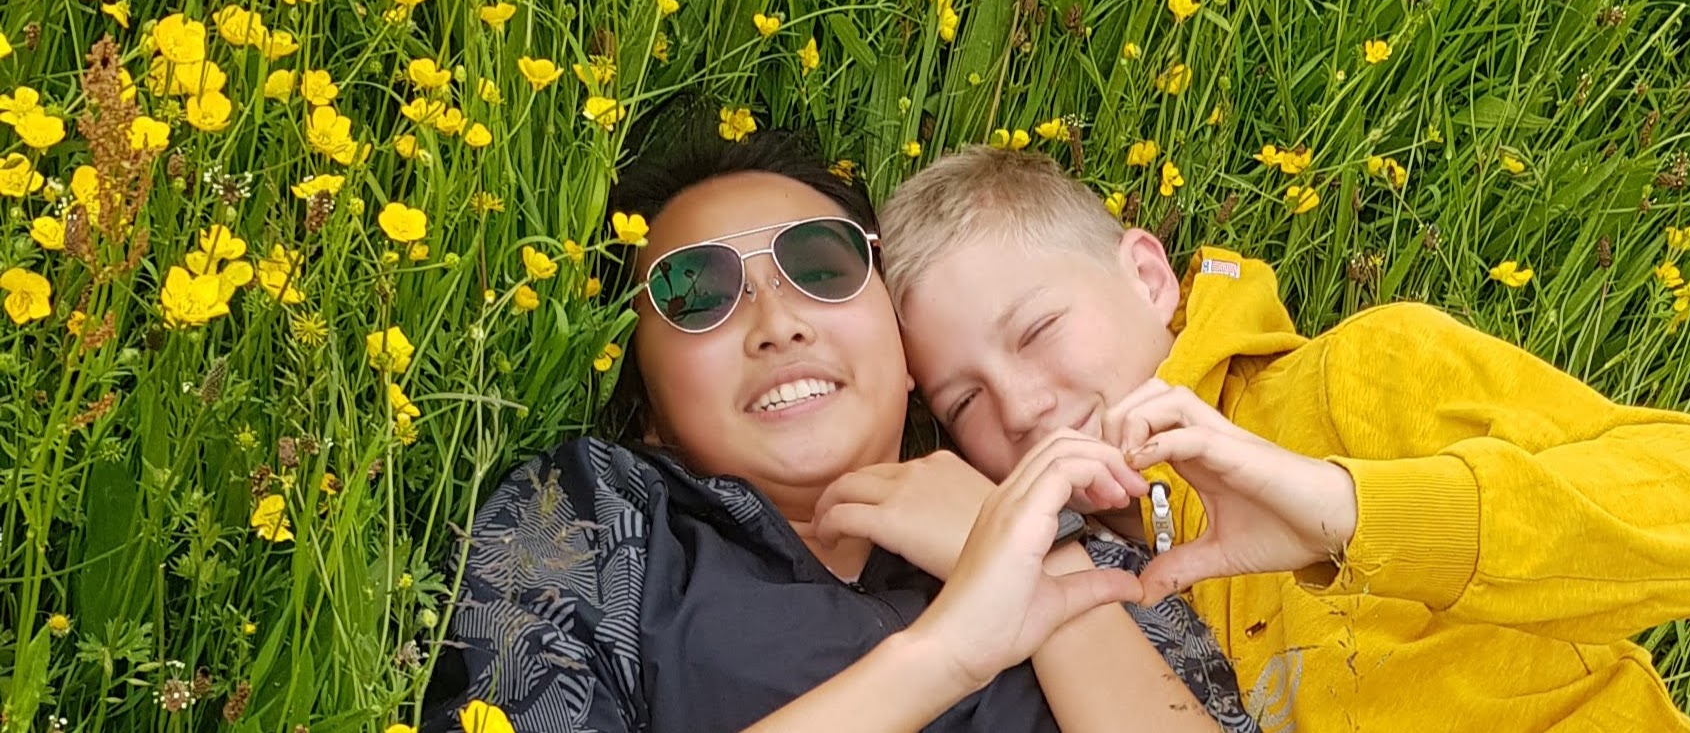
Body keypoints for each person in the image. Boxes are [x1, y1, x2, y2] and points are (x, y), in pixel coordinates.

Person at [880, 146, 1690, 733]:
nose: (1022, 406)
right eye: (964, 402)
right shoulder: (1059, 593)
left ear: (1149, 278)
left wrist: (1346, 510)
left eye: (1038, 330)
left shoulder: (1366, 373)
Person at [420, 104, 1255, 733]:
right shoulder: (591, 517)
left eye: (820, 265)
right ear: (648, 407)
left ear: (903, 352)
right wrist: (939, 658)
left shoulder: (1084, 543)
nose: (778, 320)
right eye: (695, 293)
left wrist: (1048, 571)